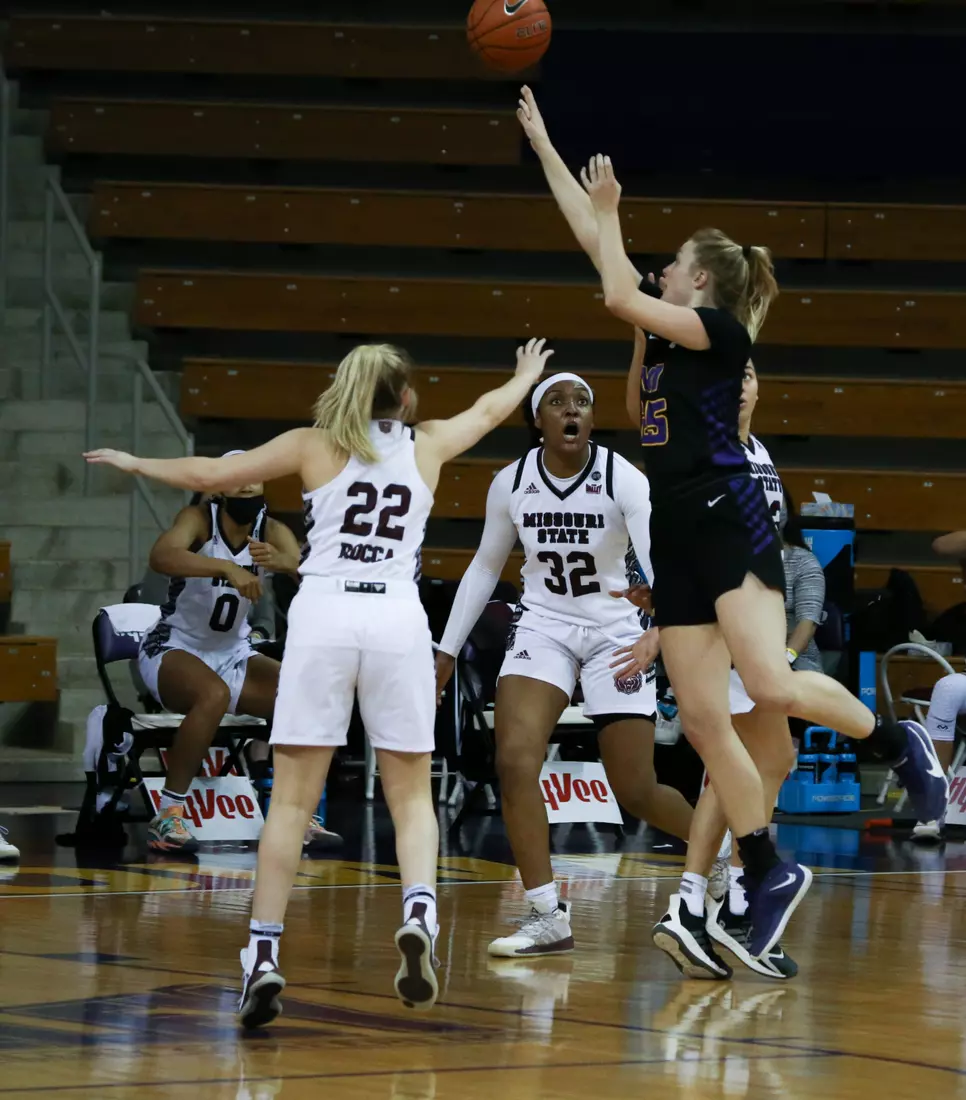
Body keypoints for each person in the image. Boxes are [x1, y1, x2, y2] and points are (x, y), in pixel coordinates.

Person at [85, 336, 555, 1024]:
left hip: (327, 614)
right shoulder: (426, 443)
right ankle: (420, 909)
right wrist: (525, 377)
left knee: (293, 802)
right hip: (396, 617)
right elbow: (488, 411)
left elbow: (216, 474)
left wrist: (135, 461)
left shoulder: (313, 444)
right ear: (406, 397)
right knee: (409, 790)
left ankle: (265, 954)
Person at [572, 149, 946, 961]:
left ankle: (893, 741)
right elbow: (633, 390)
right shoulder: (667, 344)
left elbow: (610, 281)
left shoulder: (719, 330)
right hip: (674, 536)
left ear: (700, 280)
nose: (660, 270)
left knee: (770, 683)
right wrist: (544, 154)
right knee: (708, 727)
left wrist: (609, 212)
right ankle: (769, 870)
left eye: (672, 266)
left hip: (725, 518)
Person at [434, 371, 693, 957]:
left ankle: (724, 854)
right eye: (557, 401)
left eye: (581, 402)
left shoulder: (623, 477)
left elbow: (660, 563)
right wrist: (445, 650)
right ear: (538, 421)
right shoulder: (512, 482)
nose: (571, 409)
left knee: (637, 789)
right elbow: (482, 568)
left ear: (592, 419)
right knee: (515, 757)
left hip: (615, 630)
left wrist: (660, 630)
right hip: (545, 626)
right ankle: (546, 912)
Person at [135, 465, 302, 855]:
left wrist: (289, 564)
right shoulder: (198, 520)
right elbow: (162, 555)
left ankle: (294, 812)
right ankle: (168, 814)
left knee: (300, 694)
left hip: (232, 651)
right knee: (211, 694)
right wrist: (225, 566)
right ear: (218, 489)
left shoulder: (272, 531)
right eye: (237, 478)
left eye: (256, 477)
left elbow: (309, 569)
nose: (247, 483)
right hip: (173, 646)